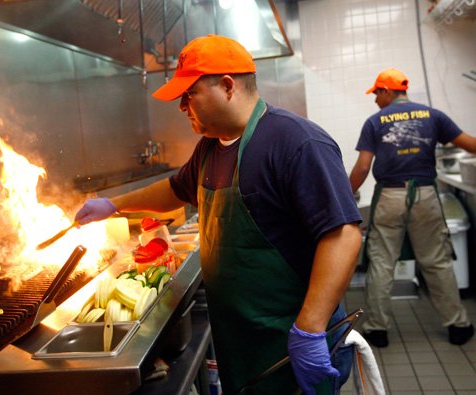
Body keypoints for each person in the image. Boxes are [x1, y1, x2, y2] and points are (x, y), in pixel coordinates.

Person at [76, 35, 363, 394]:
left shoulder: (296, 142)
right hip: (241, 340)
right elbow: (175, 190)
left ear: (227, 86)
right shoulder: (210, 148)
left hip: (291, 341)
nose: (182, 106)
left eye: (189, 94)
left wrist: (310, 328)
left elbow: (343, 235)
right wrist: (115, 204)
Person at [349, 67, 476, 348]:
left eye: (376, 94)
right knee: (436, 261)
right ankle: (458, 325)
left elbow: (362, 167)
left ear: (386, 91)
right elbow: (469, 144)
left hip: (390, 196)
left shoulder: (375, 121)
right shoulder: (433, 115)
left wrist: (346, 195)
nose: (375, 101)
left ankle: (377, 330)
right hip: (426, 196)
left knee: (382, 263)